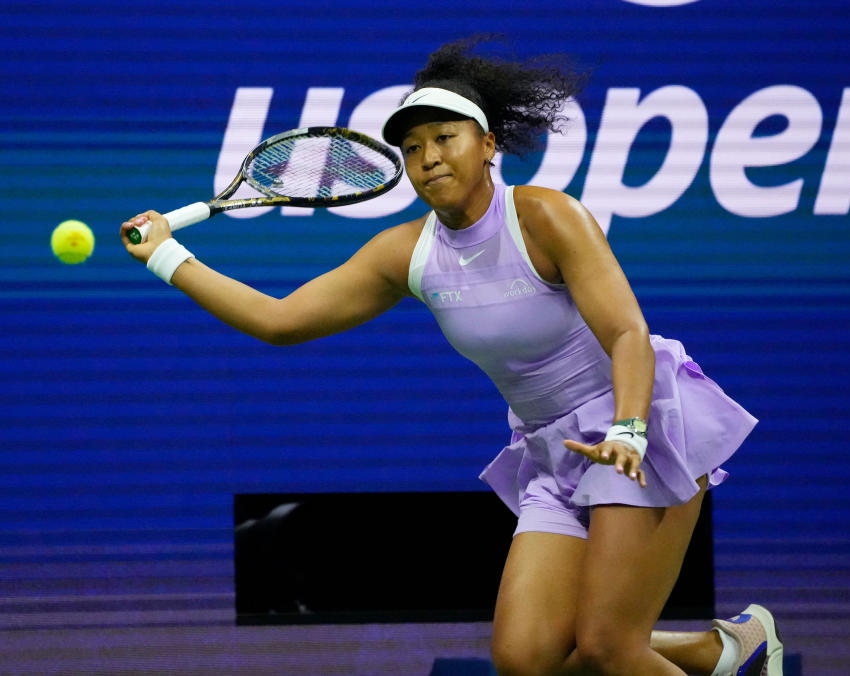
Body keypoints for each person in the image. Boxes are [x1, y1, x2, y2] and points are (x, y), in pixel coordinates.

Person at [122, 36, 782, 676]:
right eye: (412, 148)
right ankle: (728, 651)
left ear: (488, 145)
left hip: (634, 426)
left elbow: (627, 334)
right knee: (525, 659)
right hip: (552, 454)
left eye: (445, 138)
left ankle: (719, 650)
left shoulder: (546, 217)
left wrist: (628, 431)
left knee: (609, 646)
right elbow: (279, 321)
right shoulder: (404, 253)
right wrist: (166, 256)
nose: (428, 157)